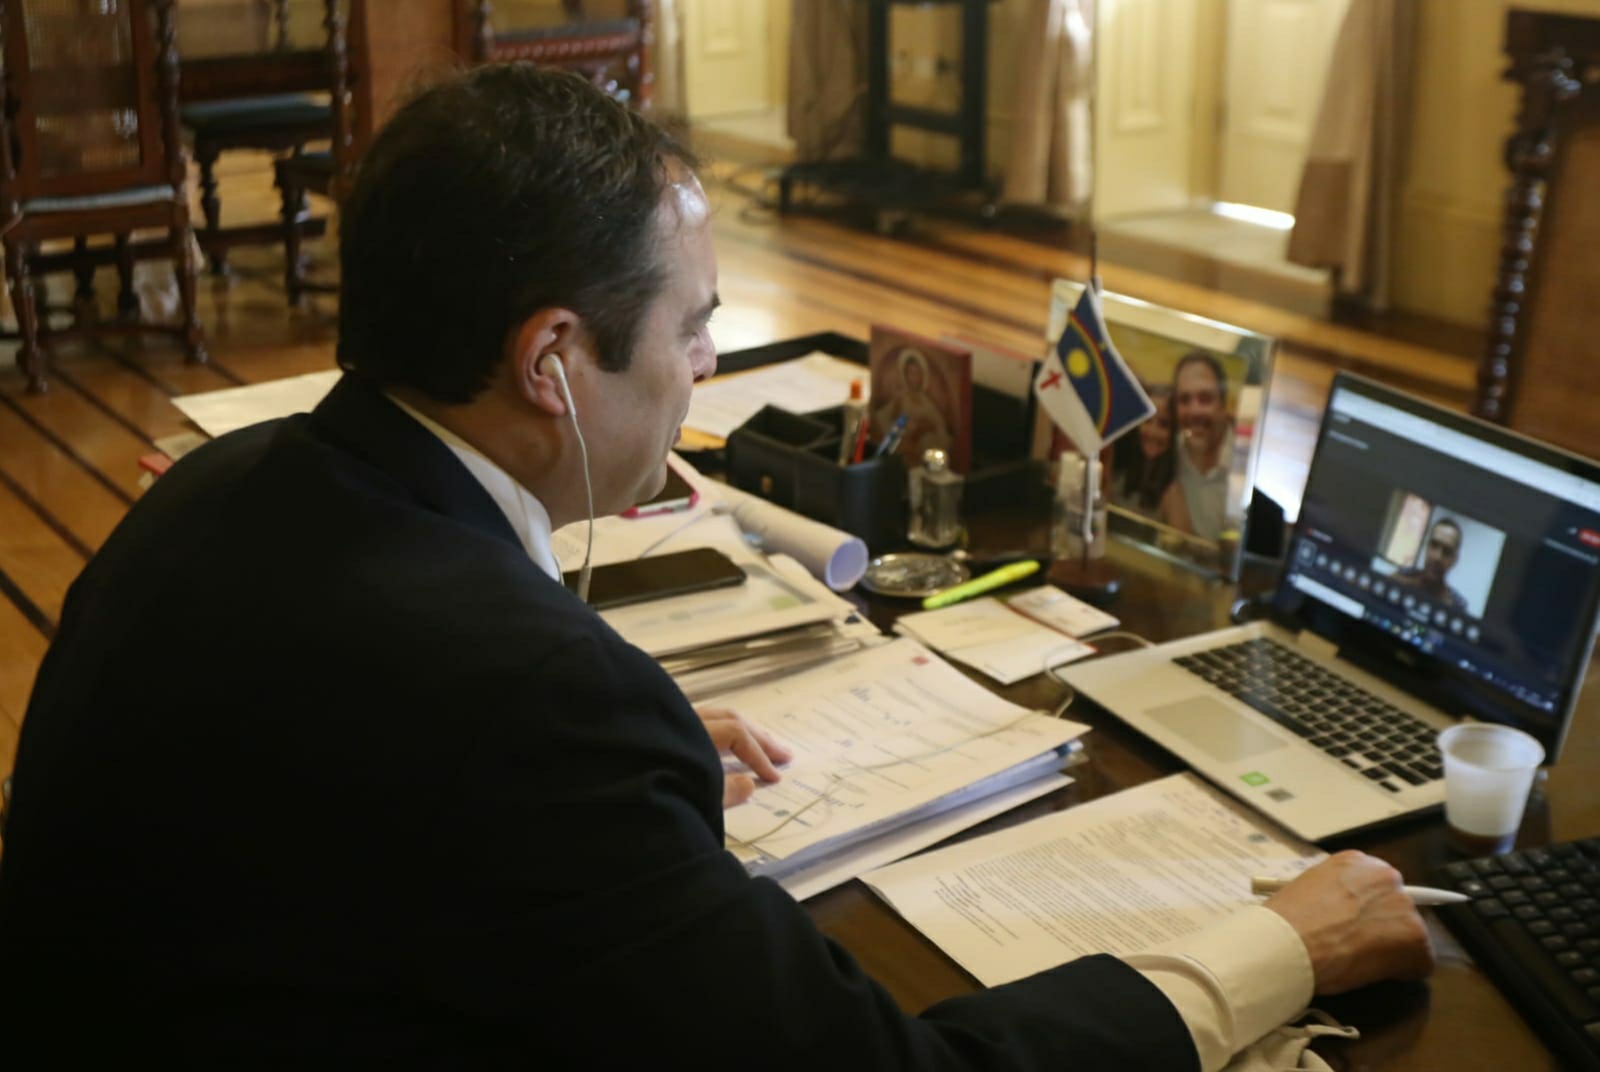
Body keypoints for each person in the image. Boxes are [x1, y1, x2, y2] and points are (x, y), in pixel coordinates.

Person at [0, 65, 1433, 1067]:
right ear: (551, 360)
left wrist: (596, 764)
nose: (704, 367)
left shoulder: (218, 490)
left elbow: (352, 770)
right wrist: (1277, 951)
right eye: (694, 327)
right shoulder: (523, 703)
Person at [1161, 350, 1234, 540]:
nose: (1194, 411)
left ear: (1223, 404)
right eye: (1184, 400)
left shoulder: (1245, 464)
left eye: (1205, 398)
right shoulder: (1169, 452)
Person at [1110, 383, 1175, 513]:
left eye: (1164, 424)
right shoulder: (1121, 463)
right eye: (1147, 420)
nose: (1152, 431)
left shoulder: (1176, 487)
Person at [1393, 517, 1470, 612]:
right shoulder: (1400, 577)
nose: (1437, 557)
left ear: (1454, 560)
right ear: (1427, 547)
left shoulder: (1457, 606)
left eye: (1447, 551)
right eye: (1434, 545)